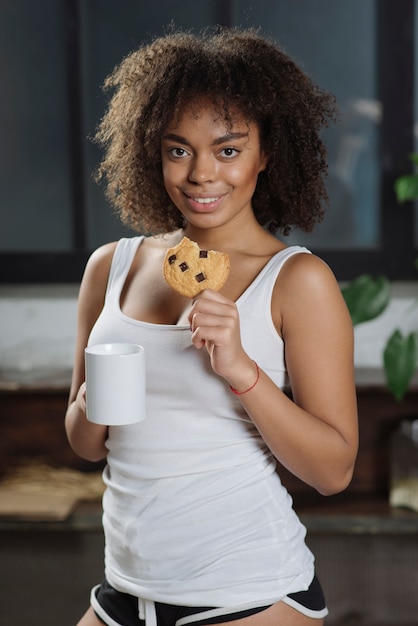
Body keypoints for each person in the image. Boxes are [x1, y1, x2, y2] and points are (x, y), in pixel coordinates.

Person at [65, 27, 358, 626]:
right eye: (179, 149)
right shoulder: (110, 269)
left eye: (228, 150)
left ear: (265, 154)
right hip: (125, 594)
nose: (201, 174)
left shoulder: (298, 282)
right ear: (153, 150)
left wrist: (242, 371)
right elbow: (85, 445)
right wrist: (93, 401)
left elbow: (333, 472)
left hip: (248, 592)